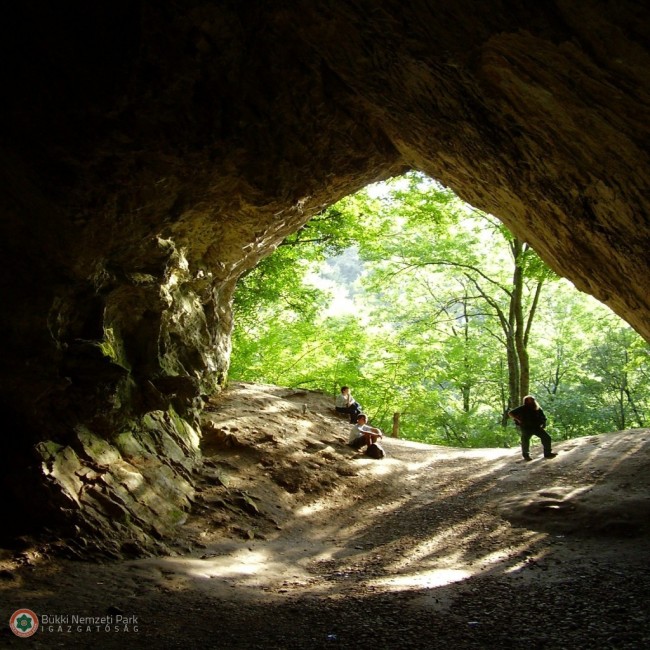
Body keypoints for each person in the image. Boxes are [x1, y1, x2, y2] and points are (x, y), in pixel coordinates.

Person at [508, 395, 557, 461]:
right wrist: (518, 419)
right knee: (525, 441)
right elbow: (510, 413)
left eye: (532, 399)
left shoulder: (537, 408)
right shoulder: (522, 408)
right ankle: (526, 456)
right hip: (526, 427)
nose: (531, 400)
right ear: (526, 401)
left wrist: (544, 424)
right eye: (529, 399)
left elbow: (543, 417)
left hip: (537, 427)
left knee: (547, 438)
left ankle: (547, 453)